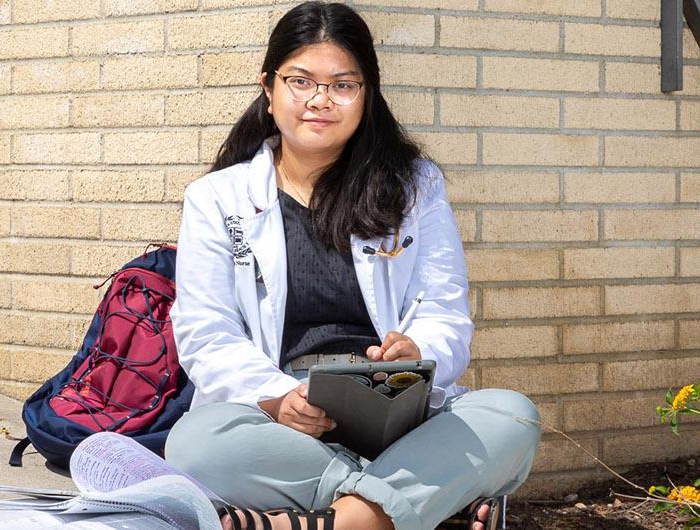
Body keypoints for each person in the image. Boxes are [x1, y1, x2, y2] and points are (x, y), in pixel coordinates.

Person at [165, 3, 540, 529]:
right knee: (196, 444)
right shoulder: (216, 198)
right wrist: (276, 398)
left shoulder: (415, 186)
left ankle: (329, 520)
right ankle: (424, 503)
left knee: (512, 415)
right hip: (284, 413)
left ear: (367, 95)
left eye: (343, 85)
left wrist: (416, 353)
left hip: (396, 405)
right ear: (268, 89)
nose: (320, 100)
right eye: (301, 81)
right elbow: (206, 331)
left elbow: (444, 311)